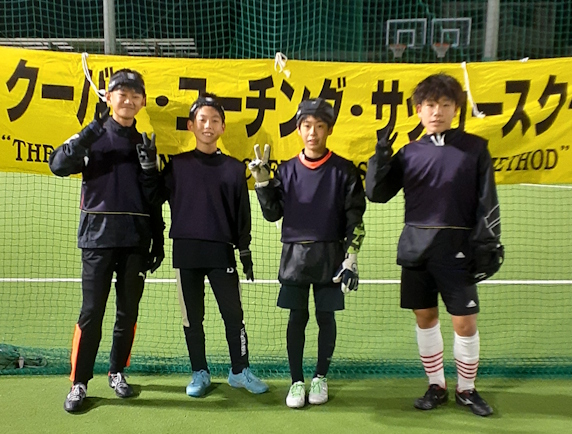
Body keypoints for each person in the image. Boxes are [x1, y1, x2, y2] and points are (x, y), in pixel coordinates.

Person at [365, 73, 504, 417]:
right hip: (416, 248)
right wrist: (381, 155)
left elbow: (488, 200)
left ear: (456, 108)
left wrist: (488, 243)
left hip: (458, 249)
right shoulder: (409, 152)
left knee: (464, 322)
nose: (437, 112)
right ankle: (436, 385)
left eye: (444, 104)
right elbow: (376, 194)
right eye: (429, 105)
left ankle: (467, 389)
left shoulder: (475, 149)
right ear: (418, 110)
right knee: (425, 317)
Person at [49, 69, 165, 413]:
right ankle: (79, 383)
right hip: (96, 240)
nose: (128, 100)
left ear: (143, 102)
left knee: (127, 313)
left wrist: (158, 239)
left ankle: (117, 372)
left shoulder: (145, 143)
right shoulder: (92, 136)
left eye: (134, 95)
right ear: (109, 97)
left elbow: (154, 199)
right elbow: (58, 164)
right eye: (121, 94)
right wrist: (90, 130)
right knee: (91, 313)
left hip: (135, 241)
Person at [138, 92, 268, 397]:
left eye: (214, 120)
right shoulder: (177, 165)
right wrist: (148, 170)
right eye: (202, 120)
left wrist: (244, 250)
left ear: (222, 127)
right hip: (186, 252)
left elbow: (242, 213)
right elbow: (154, 197)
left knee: (234, 316)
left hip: (221, 251)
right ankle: (200, 372)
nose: (208, 125)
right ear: (191, 126)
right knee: (192, 318)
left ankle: (239, 371)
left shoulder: (234, 168)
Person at [249, 98, 366, 408]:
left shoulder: (344, 170)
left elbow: (355, 217)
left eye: (319, 126)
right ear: (299, 130)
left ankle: (320, 378)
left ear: (329, 129)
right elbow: (273, 214)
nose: (312, 132)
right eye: (306, 126)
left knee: (326, 317)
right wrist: (263, 183)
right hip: (294, 258)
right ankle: (297, 381)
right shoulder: (286, 170)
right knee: (296, 318)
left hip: (331, 256)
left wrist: (351, 257)